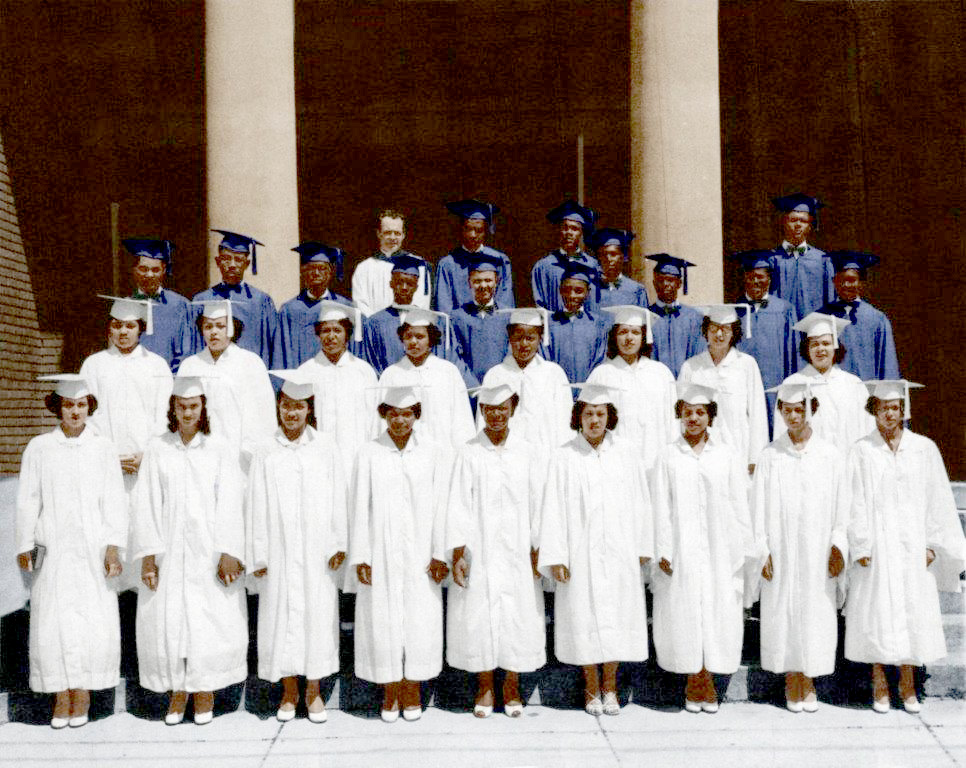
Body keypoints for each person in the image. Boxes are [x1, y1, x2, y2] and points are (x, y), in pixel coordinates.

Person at [845, 380, 966, 714]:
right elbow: (854, 500)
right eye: (883, 408)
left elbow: (938, 497)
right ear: (873, 410)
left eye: (895, 407)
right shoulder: (862, 451)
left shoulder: (924, 449)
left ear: (903, 410)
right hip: (877, 548)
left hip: (913, 546)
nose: (889, 414)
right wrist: (861, 544)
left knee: (912, 612)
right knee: (877, 614)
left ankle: (908, 684)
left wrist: (933, 544)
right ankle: (880, 683)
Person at [133, 374, 247, 725]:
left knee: (207, 621)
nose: (187, 413)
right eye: (181, 406)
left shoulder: (218, 448)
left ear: (203, 408)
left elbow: (231, 501)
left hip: (207, 550)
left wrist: (228, 551)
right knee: (172, 622)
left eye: (193, 406)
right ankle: (177, 692)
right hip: (168, 551)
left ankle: (204, 692)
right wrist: (149, 557)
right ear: (172, 409)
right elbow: (146, 503)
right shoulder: (158, 449)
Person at [16, 375, 126, 729]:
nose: (75, 412)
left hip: (93, 547)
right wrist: (25, 544)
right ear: (57, 408)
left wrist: (113, 547)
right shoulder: (40, 448)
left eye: (81, 405)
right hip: (54, 547)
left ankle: (83, 695)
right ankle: (60, 696)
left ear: (89, 407)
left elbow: (114, 500)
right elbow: (28, 499)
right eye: (68, 405)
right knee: (54, 621)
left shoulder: (103, 448)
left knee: (91, 620)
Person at [539, 383, 653, 717]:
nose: (594, 420)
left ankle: (610, 687)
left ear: (609, 417)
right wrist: (557, 556)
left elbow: (641, 501)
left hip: (619, 550)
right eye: (588, 414)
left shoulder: (627, 453)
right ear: (578, 417)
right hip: (580, 553)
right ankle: (591, 687)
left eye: (600, 414)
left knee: (616, 615)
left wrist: (642, 545)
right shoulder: (564, 456)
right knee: (583, 617)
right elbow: (553, 508)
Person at [651, 382, 761, 714]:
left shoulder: (726, 455)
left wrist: (743, 548)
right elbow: (660, 506)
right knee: (684, 612)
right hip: (682, 549)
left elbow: (739, 503)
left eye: (700, 412)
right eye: (687, 413)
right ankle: (692, 681)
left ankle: (709, 681)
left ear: (710, 416)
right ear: (679, 415)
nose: (694, 418)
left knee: (717, 613)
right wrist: (663, 549)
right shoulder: (667, 456)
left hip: (719, 548)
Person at [247, 371, 348, 723]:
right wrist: (259, 552)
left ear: (309, 410)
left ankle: (314, 691)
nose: (292, 413)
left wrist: (338, 542)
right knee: (281, 616)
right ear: (278, 408)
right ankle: (289, 691)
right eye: (286, 406)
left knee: (317, 616)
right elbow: (256, 501)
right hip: (279, 549)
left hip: (317, 550)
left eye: (299, 407)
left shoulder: (326, 447)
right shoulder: (265, 450)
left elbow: (338, 496)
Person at [349, 385, 451, 722]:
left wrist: (439, 553)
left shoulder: (433, 453)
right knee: (383, 621)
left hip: (421, 551)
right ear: (384, 415)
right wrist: (362, 555)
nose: (400, 420)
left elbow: (442, 506)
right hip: (381, 550)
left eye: (407, 414)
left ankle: (412, 690)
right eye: (393, 414)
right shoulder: (369, 453)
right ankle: (390, 691)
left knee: (420, 622)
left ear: (416, 416)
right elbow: (359, 507)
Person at [446, 384, 547, 718]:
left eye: (503, 408)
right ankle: (486, 686)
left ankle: (512, 686)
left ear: (512, 410)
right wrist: (458, 553)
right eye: (489, 409)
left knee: (517, 616)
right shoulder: (468, 452)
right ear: (482, 411)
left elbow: (538, 501)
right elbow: (458, 504)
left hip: (518, 548)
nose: (496, 415)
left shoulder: (527, 451)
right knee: (481, 617)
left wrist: (537, 547)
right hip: (481, 548)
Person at [752, 382, 849, 713]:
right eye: (788, 410)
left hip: (816, 549)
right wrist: (762, 549)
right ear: (780, 412)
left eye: (799, 410)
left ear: (812, 410)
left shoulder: (829, 455)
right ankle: (791, 679)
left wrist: (838, 544)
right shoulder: (770, 455)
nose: (793, 416)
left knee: (815, 611)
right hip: (781, 548)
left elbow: (842, 506)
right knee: (783, 611)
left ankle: (809, 679)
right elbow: (757, 508)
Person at [79, 297, 173, 588]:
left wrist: (148, 455)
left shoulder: (156, 365)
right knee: (108, 529)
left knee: (145, 526)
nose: (123, 332)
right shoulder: (94, 365)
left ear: (140, 329)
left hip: (145, 464)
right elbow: (88, 416)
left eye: (130, 326)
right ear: (109, 328)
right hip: (107, 465)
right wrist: (108, 456)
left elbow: (164, 415)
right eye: (117, 325)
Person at [178, 299, 277, 472]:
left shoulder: (250, 362)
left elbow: (264, 413)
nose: (213, 332)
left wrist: (254, 451)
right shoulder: (190, 365)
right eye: (208, 327)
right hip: (200, 453)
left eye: (220, 326)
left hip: (238, 453)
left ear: (231, 329)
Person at [678, 305, 769, 474]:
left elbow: (757, 414)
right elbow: (679, 416)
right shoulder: (691, 367)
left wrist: (756, 457)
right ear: (706, 331)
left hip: (738, 449)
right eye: (714, 329)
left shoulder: (746, 365)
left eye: (725, 329)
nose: (719, 335)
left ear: (734, 332)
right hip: (700, 452)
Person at [587, 305, 675, 477]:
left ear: (644, 337)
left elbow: (673, 422)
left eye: (635, 332)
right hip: (615, 464)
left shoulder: (661, 373)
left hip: (655, 462)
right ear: (614, 336)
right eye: (623, 332)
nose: (629, 338)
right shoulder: (602, 375)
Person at [295, 300, 379, 479]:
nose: (331, 336)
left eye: (337, 330)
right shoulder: (306, 371)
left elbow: (374, 418)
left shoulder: (363, 371)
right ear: (318, 335)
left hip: (355, 453)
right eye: (325, 331)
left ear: (347, 334)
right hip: (317, 456)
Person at [377, 308, 476, 450]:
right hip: (404, 452)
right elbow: (382, 423)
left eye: (419, 337)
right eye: (408, 336)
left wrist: (462, 453)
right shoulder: (391, 374)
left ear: (431, 340)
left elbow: (461, 419)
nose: (413, 342)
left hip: (443, 451)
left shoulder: (448, 372)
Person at [778, 312, 872, 453]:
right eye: (814, 344)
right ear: (807, 349)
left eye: (826, 343)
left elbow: (869, 428)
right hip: (807, 461)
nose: (820, 349)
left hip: (847, 460)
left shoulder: (854, 384)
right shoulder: (793, 384)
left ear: (835, 347)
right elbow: (781, 432)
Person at [480, 308, 572, 448]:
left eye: (530, 338)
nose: (524, 344)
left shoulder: (553, 374)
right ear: (509, 338)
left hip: (544, 453)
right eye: (518, 338)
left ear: (540, 339)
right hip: (505, 454)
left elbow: (565, 423)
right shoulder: (496, 375)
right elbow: (483, 424)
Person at [728, 249, 797, 436]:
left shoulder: (784, 309)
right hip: (743, 385)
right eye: (750, 277)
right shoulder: (733, 311)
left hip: (774, 384)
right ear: (744, 278)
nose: (755, 281)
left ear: (769, 279)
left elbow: (792, 353)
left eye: (760, 277)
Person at [191, 229, 280, 368]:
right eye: (227, 258)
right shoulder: (202, 300)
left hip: (250, 372)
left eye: (238, 259)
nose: (232, 265)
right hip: (213, 372)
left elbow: (274, 346)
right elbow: (194, 345)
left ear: (247, 264)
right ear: (218, 261)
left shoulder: (261, 301)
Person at [819, 251, 900, 381]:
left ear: (862, 282)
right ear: (834, 282)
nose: (846, 285)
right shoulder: (821, 317)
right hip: (831, 389)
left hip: (866, 389)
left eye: (851, 280)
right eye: (840, 280)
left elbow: (887, 364)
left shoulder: (876, 319)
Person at [277, 242, 353, 369]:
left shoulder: (344, 306)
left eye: (322, 268)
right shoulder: (290, 309)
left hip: (335, 375)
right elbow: (281, 351)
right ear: (303, 272)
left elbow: (354, 350)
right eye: (311, 268)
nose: (316, 273)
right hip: (300, 376)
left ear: (330, 273)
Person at [124, 237, 191, 372]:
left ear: (164, 270)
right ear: (134, 270)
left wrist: (170, 379)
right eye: (143, 269)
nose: (149, 275)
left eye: (155, 270)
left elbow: (186, 351)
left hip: (170, 379)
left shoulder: (180, 305)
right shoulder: (125, 305)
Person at [435, 199, 514, 313]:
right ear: (461, 229)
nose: (472, 235)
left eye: (478, 230)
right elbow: (443, 306)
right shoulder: (447, 264)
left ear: (485, 231)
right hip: (458, 323)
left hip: (493, 321)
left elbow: (505, 300)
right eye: (468, 229)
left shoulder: (499, 260)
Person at [352, 209, 431, 318]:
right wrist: (378, 324)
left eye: (397, 233)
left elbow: (421, 303)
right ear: (379, 234)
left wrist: (403, 325)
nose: (393, 238)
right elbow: (360, 304)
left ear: (403, 235)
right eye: (388, 232)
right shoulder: (364, 268)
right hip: (374, 326)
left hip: (407, 326)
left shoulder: (417, 265)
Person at [768, 193, 833, 319]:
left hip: (813, 326)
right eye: (793, 220)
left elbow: (829, 298)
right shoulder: (772, 259)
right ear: (784, 222)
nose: (798, 225)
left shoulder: (823, 260)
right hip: (781, 324)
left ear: (810, 226)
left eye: (803, 221)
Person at [449, 252, 511, 383]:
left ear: (497, 281)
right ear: (469, 283)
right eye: (477, 281)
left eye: (488, 280)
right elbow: (455, 356)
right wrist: (471, 385)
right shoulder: (457, 317)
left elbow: (511, 354)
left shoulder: (508, 316)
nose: (483, 286)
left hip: (502, 384)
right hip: (468, 387)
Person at [546, 261, 610, 384]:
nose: (571, 295)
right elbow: (545, 360)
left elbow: (600, 360)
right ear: (560, 290)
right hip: (555, 389)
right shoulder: (549, 323)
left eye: (579, 291)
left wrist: (589, 389)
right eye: (566, 290)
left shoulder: (598, 324)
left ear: (588, 292)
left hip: (589, 390)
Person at [531, 200, 600, 314]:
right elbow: (539, 305)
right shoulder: (544, 266)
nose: (569, 232)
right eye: (565, 227)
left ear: (581, 232)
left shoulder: (593, 265)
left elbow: (595, 302)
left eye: (574, 229)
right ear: (559, 230)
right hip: (553, 323)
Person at [362, 254, 426, 375]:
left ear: (416, 287)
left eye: (410, 283)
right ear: (391, 284)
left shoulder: (426, 320)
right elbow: (370, 362)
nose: (404, 288)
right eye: (399, 282)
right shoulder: (374, 322)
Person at [647, 253, 705, 377]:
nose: (665, 284)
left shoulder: (694, 317)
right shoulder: (646, 316)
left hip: (687, 383)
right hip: (654, 383)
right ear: (654, 283)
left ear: (679, 283)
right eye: (660, 280)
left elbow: (699, 355)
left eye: (670, 280)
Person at [591, 228, 647, 308]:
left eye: (613, 254)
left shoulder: (636, 290)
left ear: (623, 257)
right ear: (599, 257)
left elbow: (643, 315)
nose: (608, 259)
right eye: (603, 254)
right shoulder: (590, 288)